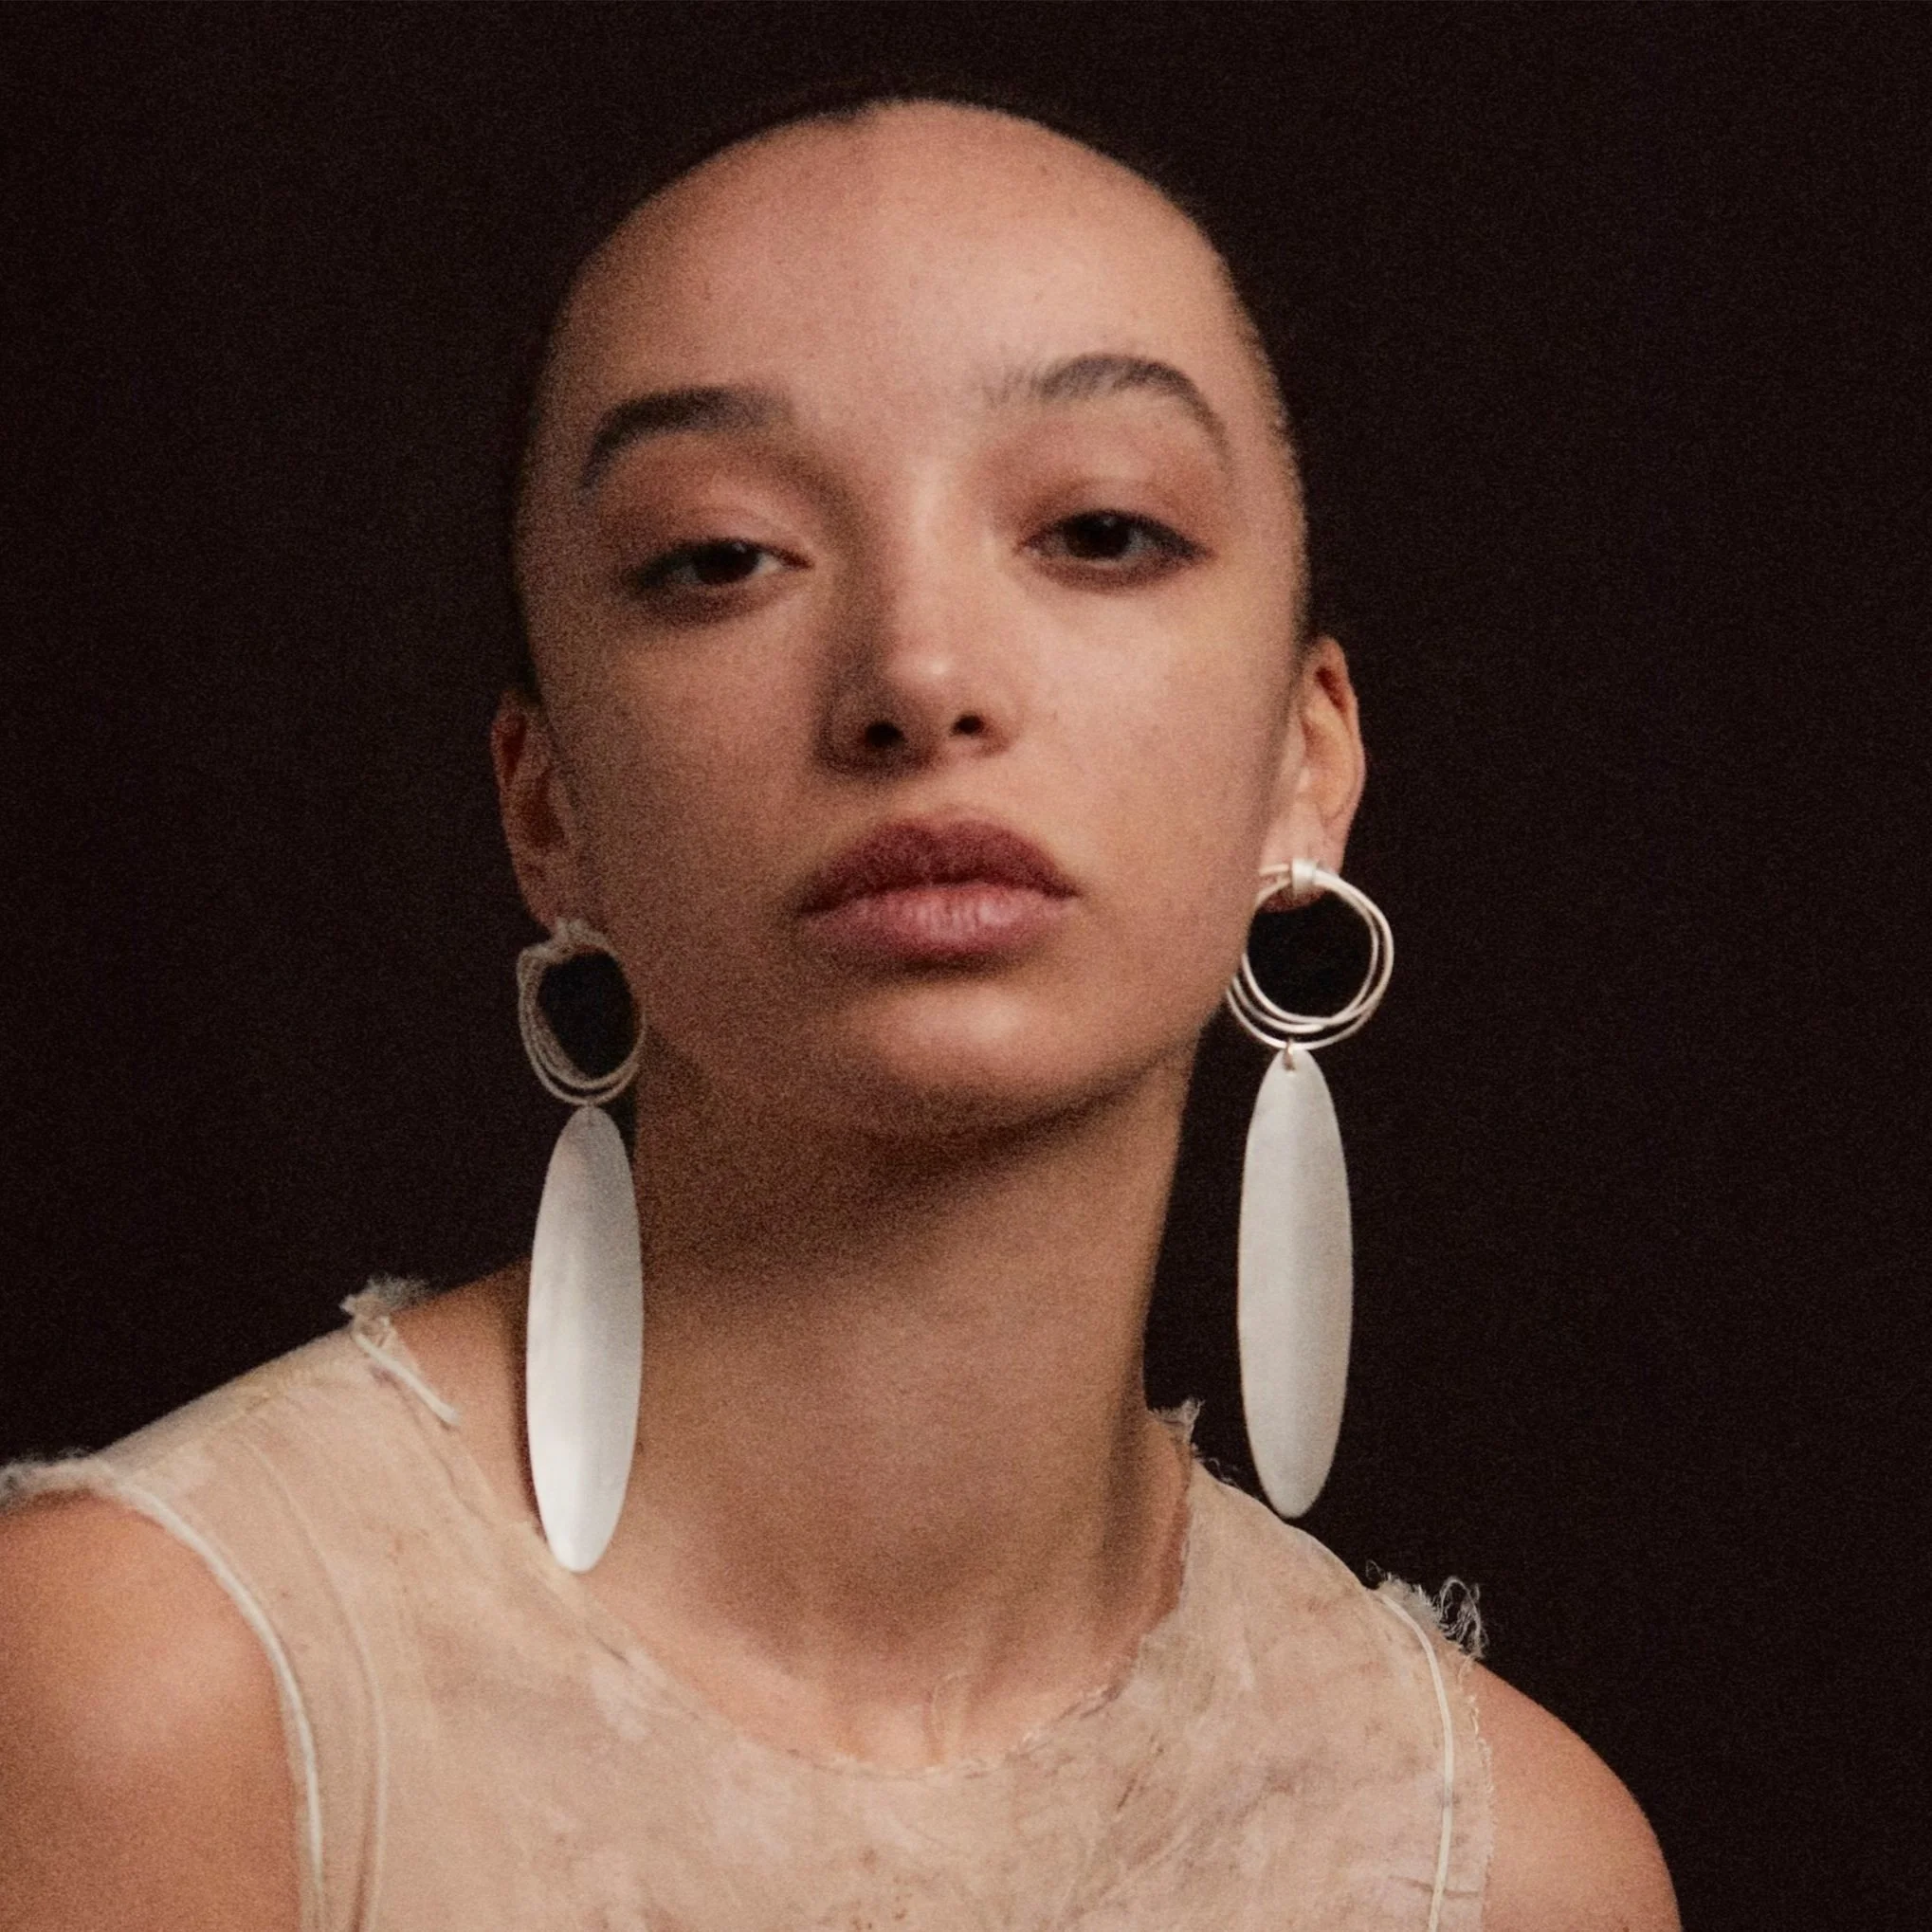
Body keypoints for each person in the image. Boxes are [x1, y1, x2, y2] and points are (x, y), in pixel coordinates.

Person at [0, 93, 1677, 1930]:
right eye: (719, 556)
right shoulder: (147, 1693)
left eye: (1098, 528)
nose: (917, 674)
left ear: (1308, 758)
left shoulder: (1491, 1864)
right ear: (545, 806)